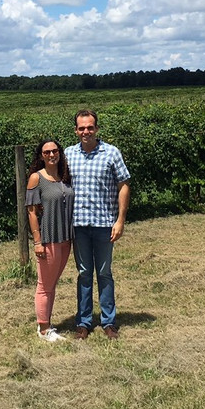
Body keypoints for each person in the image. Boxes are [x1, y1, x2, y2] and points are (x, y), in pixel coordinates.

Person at [65, 109, 131, 340]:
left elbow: (124, 185)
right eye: (81, 128)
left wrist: (120, 220)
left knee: (104, 273)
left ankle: (108, 322)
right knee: (84, 273)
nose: (86, 131)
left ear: (97, 129)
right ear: (76, 130)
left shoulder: (111, 153)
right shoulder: (68, 154)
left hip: (105, 224)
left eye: (90, 127)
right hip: (79, 225)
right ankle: (83, 322)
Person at [26, 138, 74, 342]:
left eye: (55, 151)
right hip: (48, 238)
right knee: (44, 285)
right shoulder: (36, 178)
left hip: (66, 238)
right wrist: (37, 241)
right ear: (41, 156)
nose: (52, 155)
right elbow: (31, 211)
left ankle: (48, 323)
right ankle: (43, 328)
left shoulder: (65, 177)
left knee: (52, 283)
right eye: (47, 152)